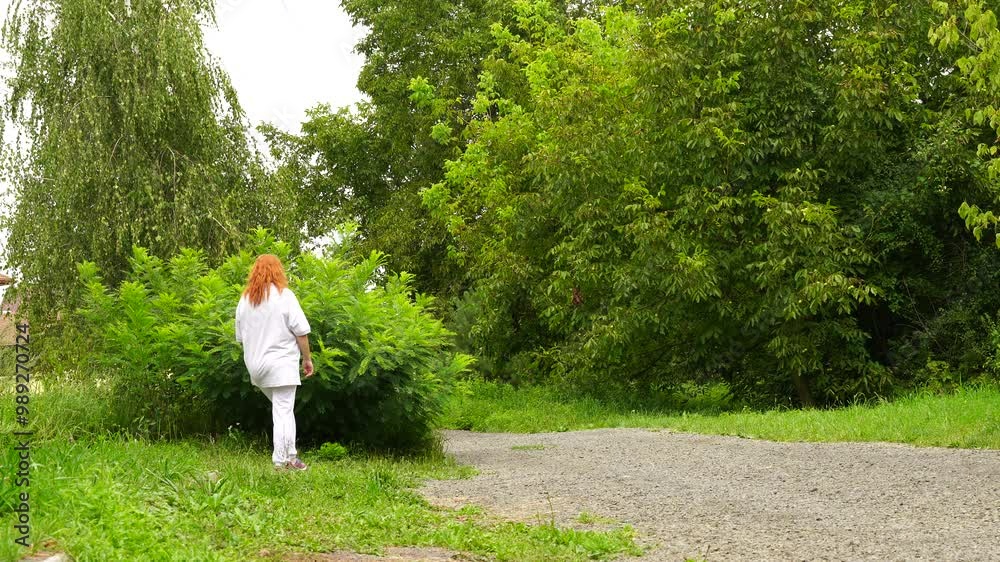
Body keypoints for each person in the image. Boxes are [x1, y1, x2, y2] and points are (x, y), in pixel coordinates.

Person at [234, 254, 314, 471]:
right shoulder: (284, 295)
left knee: (282, 409)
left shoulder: (245, 300)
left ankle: (289, 457)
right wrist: (307, 359)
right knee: (283, 410)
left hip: (256, 366)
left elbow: (240, 338)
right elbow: (301, 332)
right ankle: (283, 461)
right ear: (278, 271)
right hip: (281, 364)